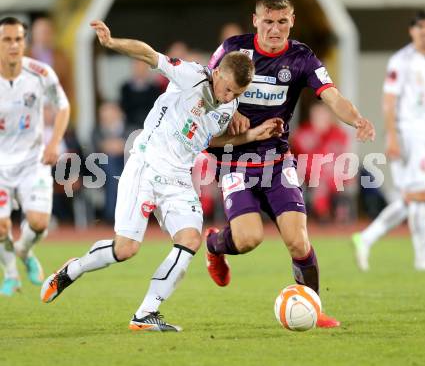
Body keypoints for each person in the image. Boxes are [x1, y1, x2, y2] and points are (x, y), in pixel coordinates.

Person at [40, 20, 283, 332]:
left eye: (235, 94)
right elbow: (149, 55)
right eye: (227, 89)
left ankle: (146, 313)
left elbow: (209, 141)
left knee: (190, 239)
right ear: (218, 72)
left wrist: (252, 135)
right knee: (125, 249)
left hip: (179, 177)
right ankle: (73, 270)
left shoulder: (230, 104)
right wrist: (112, 42)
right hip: (147, 165)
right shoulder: (192, 75)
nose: (227, 97)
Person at [204, 0, 375, 328]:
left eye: (282, 21)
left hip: (277, 161)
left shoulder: (301, 58)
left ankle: (314, 306)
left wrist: (356, 118)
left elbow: (332, 96)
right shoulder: (233, 49)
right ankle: (214, 245)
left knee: (298, 241)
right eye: (268, 21)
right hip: (235, 161)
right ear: (256, 20)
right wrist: (227, 106)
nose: (274, 29)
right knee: (249, 239)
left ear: (292, 21)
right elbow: (205, 87)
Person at [352, 10, 425, 271]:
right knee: (419, 194)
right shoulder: (401, 61)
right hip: (405, 133)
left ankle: (365, 238)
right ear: (411, 31)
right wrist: (392, 136)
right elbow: (389, 102)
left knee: (411, 197)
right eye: (420, 27)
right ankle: (423, 257)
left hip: (423, 135)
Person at [0, 17, 70, 296]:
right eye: (7, 40)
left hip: (34, 160)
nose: (14, 45)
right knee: (1, 225)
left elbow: (63, 107)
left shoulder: (41, 73)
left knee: (39, 222)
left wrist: (54, 143)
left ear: (25, 42)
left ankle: (24, 251)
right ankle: (11, 275)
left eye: (18, 39)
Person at [291, 103, 350, 222]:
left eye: (323, 115)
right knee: (319, 180)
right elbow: (293, 154)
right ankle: (323, 213)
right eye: (316, 115)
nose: (319, 118)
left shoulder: (338, 133)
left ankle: (337, 212)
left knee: (334, 176)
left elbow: (341, 157)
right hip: (309, 173)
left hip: (332, 173)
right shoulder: (303, 133)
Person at [119, 59, 163, 133]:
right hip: (130, 126)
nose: (140, 70)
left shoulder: (155, 88)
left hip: (150, 125)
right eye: (137, 67)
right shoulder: (125, 88)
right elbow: (123, 107)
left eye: (143, 67)